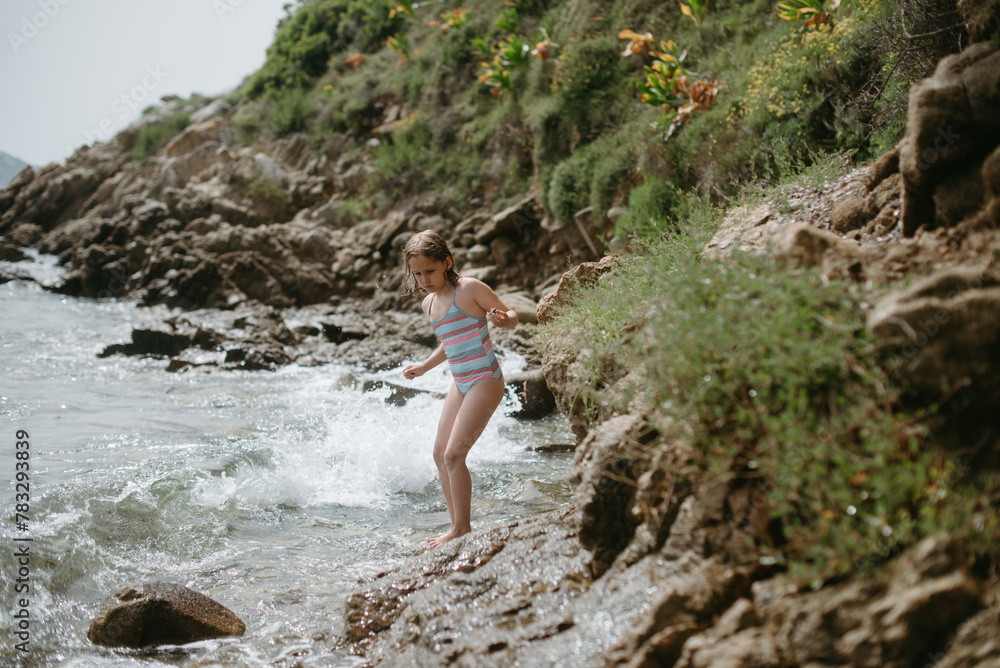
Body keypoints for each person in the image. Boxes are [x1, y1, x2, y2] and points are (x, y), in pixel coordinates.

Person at [401, 230, 519, 547]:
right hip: (461, 381)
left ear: (447, 262)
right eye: (418, 273)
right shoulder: (429, 303)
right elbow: (451, 343)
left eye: (430, 271)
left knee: (455, 454)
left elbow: (512, 315)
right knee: (440, 453)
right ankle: (456, 526)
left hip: (485, 380)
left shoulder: (469, 289)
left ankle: (461, 529)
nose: (424, 279)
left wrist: (502, 320)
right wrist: (424, 366)